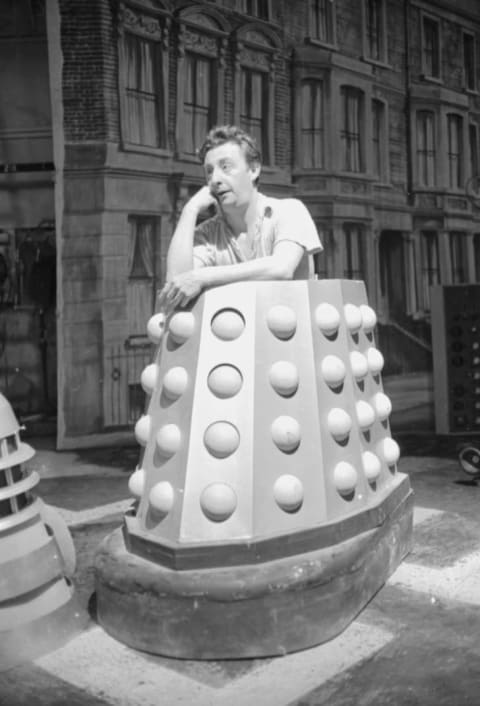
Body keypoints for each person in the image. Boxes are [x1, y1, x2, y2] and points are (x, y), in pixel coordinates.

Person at [159, 125, 323, 310]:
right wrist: (190, 210)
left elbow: (282, 268)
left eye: (225, 167)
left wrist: (203, 276)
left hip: (293, 334)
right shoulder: (207, 234)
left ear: (253, 170)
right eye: (209, 171)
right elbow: (177, 286)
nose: (215, 180)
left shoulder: (290, 211)